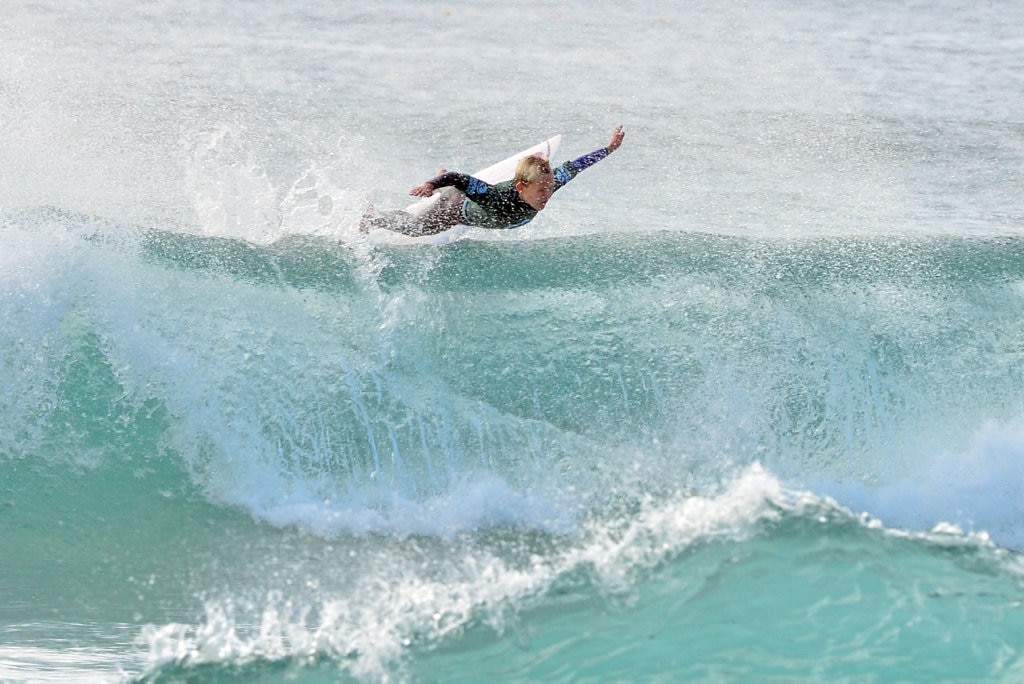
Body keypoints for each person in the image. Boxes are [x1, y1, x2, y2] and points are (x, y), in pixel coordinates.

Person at [360, 125, 625, 237]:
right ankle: (373, 216)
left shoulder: (551, 182)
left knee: (453, 186)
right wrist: (431, 184)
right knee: (417, 228)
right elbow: (460, 178)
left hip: (473, 204)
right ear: (521, 187)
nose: (547, 194)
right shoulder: (496, 197)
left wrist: (609, 149)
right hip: (455, 209)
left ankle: (443, 186)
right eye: (541, 190)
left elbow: (578, 165)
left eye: (549, 188)